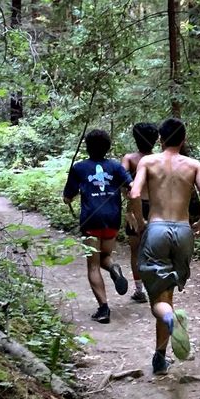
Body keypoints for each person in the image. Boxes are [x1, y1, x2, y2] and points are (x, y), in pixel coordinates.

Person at [129, 117, 200, 375]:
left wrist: (141, 223)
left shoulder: (148, 161)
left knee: (159, 299)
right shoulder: (193, 164)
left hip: (157, 228)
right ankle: (159, 358)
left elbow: (134, 193)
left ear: (161, 139)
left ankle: (170, 320)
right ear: (183, 139)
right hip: (183, 230)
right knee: (168, 294)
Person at [63, 128, 132, 324]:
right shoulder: (116, 166)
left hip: (90, 220)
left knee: (93, 265)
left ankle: (103, 308)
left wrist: (69, 198)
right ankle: (113, 267)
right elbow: (130, 186)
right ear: (108, 146)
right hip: (112, 218)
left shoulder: (79, 168)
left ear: (87, 146)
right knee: (105, 257)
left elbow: (68, 196)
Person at [120, 122, 159, 303]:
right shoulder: (159, 159)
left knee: (136, 250)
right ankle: (157, 287)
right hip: (157, 207)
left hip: (134, 208)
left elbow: (121, 180)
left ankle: (139, 290)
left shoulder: (129, 159)